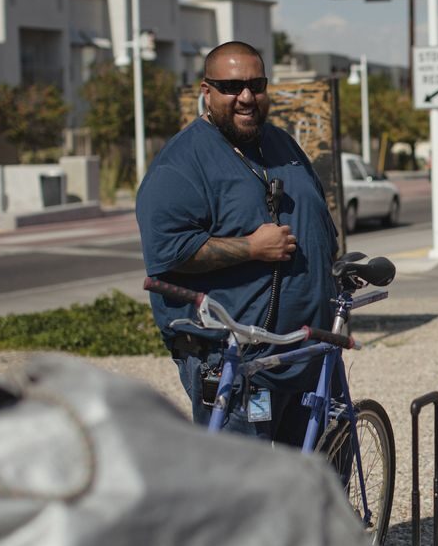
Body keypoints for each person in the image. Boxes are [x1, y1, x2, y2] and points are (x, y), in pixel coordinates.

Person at [136, 40, 338, 444]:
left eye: (256, 85)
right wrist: (250, 248)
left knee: (311, 476)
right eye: (231, 87)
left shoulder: (282, 144)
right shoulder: (182, 162)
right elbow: (167, 252)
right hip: (240, 362)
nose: (246, 97)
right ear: (206, 91)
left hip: (307, 352)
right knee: (249, 480)